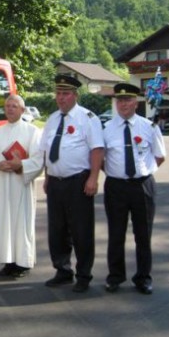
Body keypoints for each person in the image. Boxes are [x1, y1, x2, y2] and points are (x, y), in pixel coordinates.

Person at [39, 75, 104, 293]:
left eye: (65, 94)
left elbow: (97, 149)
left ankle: (84, 274)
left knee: (81, 230)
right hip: (56, 183)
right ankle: (62, 270)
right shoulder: (52, 119)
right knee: (57, 230)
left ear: (75, 95)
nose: (61, 98)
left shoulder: (88, 117)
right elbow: (48, 151)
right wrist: (47, 177)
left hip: (78, 181)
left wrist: (93, 177)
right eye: (58, 93)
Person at [102, 83, 166, 295]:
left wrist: (145, 171)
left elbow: (160, 155)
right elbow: (101, 158)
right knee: (116, 233)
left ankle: (143, 278)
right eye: (119, 100)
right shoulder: (106, 128)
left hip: (142, 186)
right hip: (116, 187)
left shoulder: (149, 127)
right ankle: (115, 276)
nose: (123, 104)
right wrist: (115, 171)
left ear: (136, 102)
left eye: (127, 100)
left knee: (143, 234)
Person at [0, 95, 44, 278]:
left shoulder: (32, 132)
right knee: (4, 223)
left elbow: (38, 159)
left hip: (21, 185)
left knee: (21, 223)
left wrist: (22, 166)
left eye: (14, 106)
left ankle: (23, 262)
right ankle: (8, 261)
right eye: (8, 106)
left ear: (22, 109)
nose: (10, 109)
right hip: (3, 184)